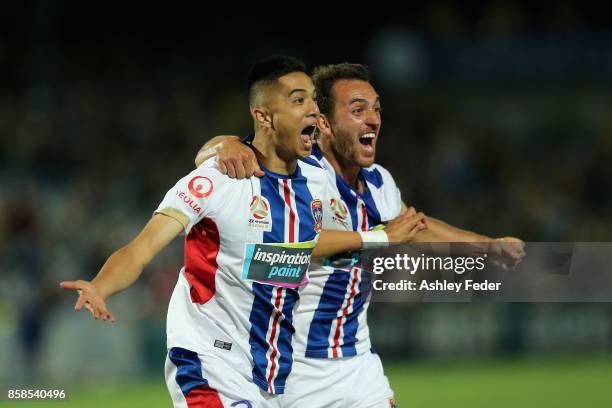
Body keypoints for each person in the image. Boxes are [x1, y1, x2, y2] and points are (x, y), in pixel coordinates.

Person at [60, 57, 427, 408]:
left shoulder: (317, 180)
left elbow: (287, 255)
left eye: (314, 101)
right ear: (264, 116)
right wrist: (100, 285)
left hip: (270, 375)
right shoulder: (218, 180)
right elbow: (142, 248)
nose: (313, 111)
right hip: (208, 362)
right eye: (298, 101)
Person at [195, 63, 525, 407]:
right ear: (322, 122)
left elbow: (414, 228)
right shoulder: (298, 172)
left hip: (358, 364)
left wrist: (487, 245)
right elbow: (287, 242)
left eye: (377, 109)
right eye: (357, 110)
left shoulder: (380, 182)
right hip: (295, 371)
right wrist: (228, 144)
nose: (373, 119)